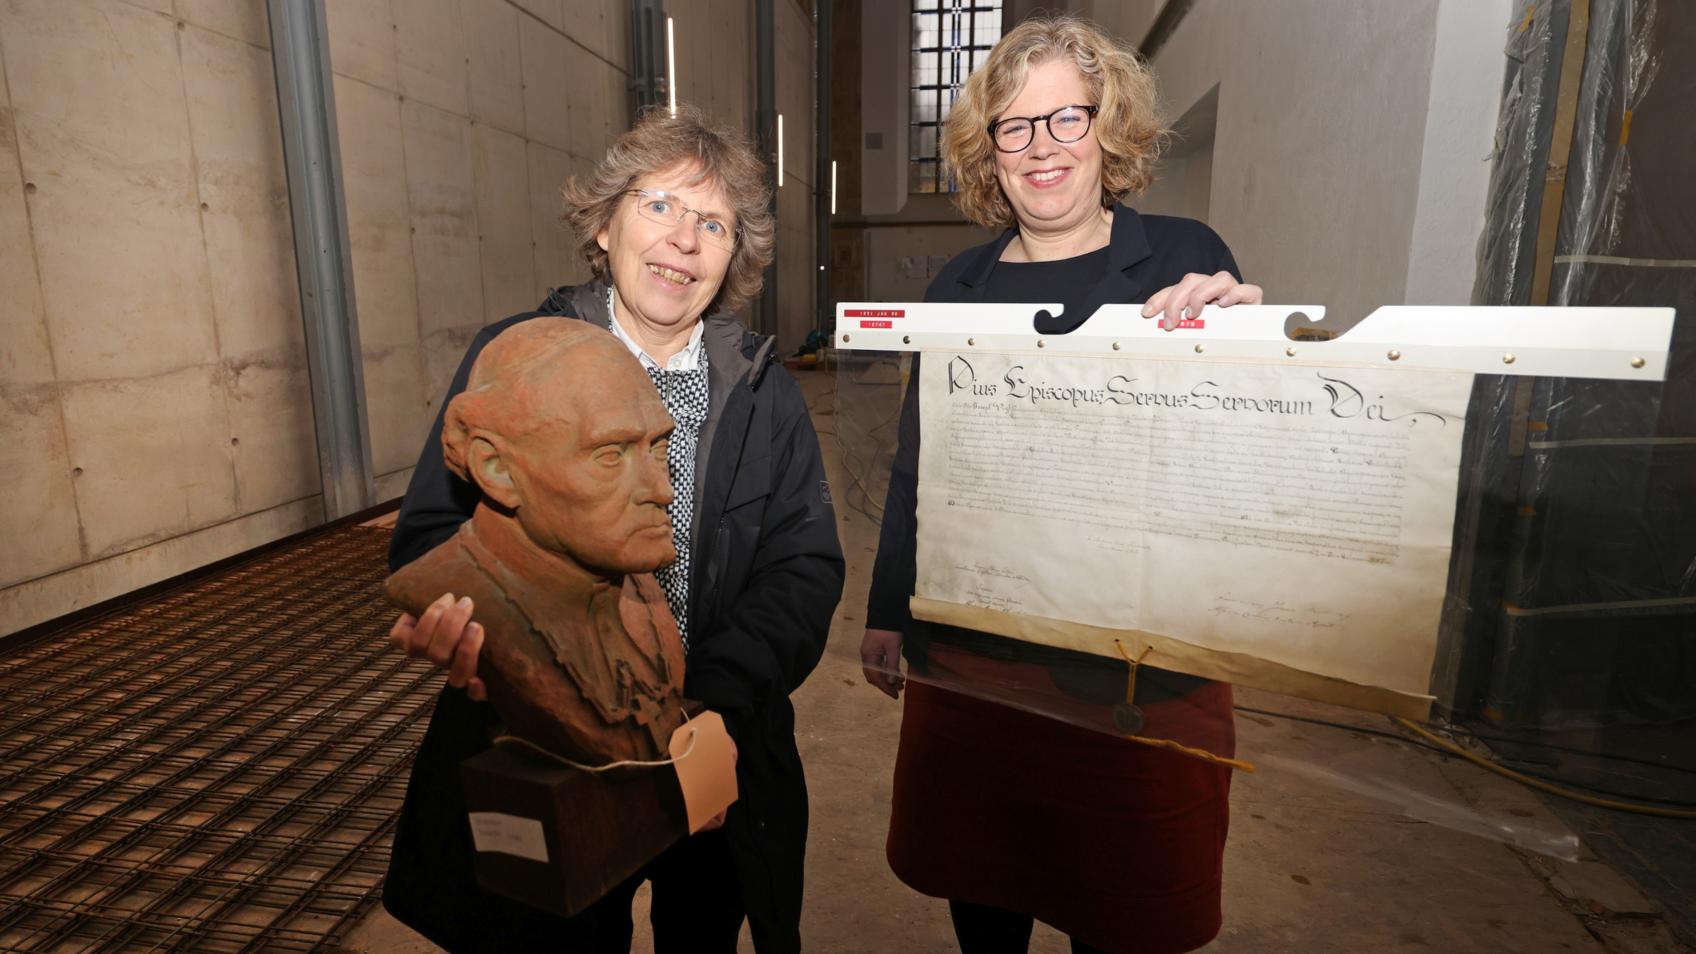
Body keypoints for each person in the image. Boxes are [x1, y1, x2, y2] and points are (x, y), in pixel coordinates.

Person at [384, 106, 845, 954]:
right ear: (604, 225)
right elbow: (429, 538)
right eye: (659, 205)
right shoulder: (518, 361)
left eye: (712, 223)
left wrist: (708, 695)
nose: (684, 239)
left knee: (702, 926)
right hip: (548, 740)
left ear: (733, 257)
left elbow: (804, 565)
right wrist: (462, 625)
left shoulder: (761, 391)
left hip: (712, 735)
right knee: (556, 933)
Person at [859, 16, 1262, 954]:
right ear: (987, 150)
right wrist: (889, 608)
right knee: (985, 901)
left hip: (1133, 673)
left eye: (1065, 119)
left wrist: (1248, 349)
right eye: (1015, 125)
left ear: (1107, 126)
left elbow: (1230, 464)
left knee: (1122, 917)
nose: (1041, 147)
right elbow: (921, 458)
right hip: (977, 660)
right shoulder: (957, 286)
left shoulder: (1183, 258)